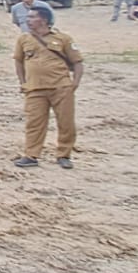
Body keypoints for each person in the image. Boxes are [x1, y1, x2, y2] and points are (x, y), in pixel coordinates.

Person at [13, 10, 84, 169]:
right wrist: (23, 82)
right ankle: (31, 155)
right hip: (34, 88)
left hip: (61, 87)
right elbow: (18, 61)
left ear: (44, 20)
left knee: (66, 123)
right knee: (34, 123)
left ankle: (64, 154)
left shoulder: (63, 38)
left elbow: (77, 62)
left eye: (32, 17)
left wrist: (75, 83)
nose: (28, 20)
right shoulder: (24, 39)